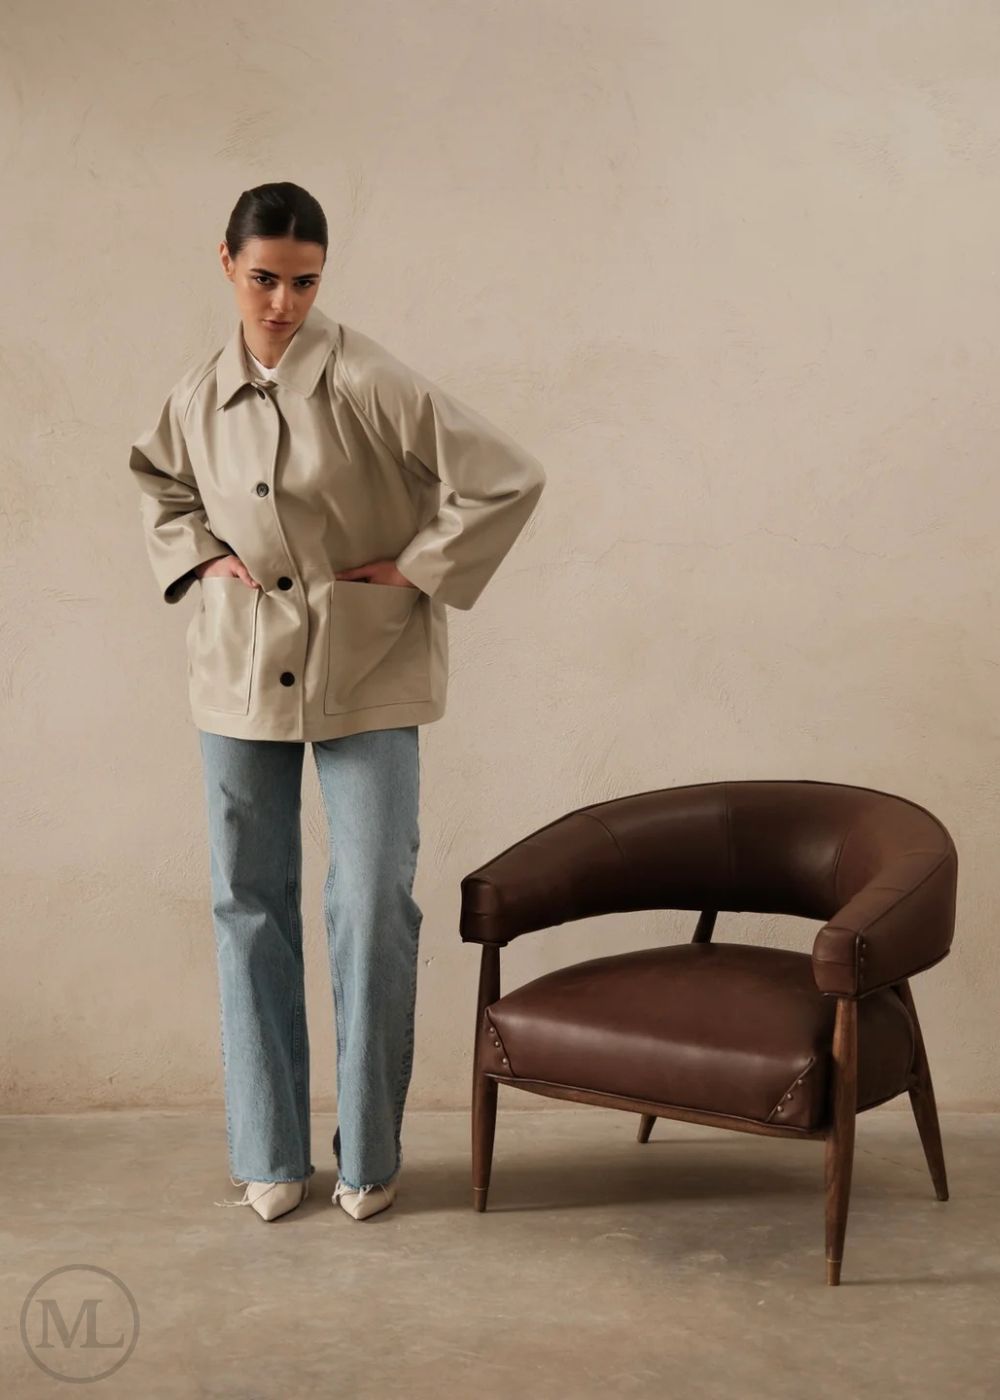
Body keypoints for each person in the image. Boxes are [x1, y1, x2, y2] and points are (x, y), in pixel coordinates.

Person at [128, 181, 546, 1222]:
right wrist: (202, 559)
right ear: (225, 263)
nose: (282, 302)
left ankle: (369, 1152)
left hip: (365, 669)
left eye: (303, 281)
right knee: (248, 902)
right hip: (236, 671)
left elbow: (505, 477)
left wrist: (418, 567)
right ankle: (267, 1149)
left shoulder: (368, 377)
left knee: (371, 902)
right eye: (264, 277)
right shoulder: (195, 393)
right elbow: (158, 484)